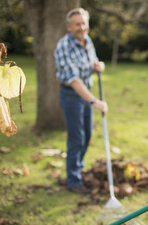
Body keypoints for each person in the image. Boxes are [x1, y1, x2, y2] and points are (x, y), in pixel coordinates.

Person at [54, 8, 108, 194]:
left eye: (84, 23)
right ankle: (73, 181)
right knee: (76, 139)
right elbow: (75, 81)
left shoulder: (87, 41)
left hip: (86, 93)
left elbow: (91, 63)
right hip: (71, 96)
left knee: (87, 137)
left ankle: (77, 169)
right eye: (77, 24)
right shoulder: (64, 47)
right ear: (69, 27)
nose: (82, 27)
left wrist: (97, 66)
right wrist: (95, 102)